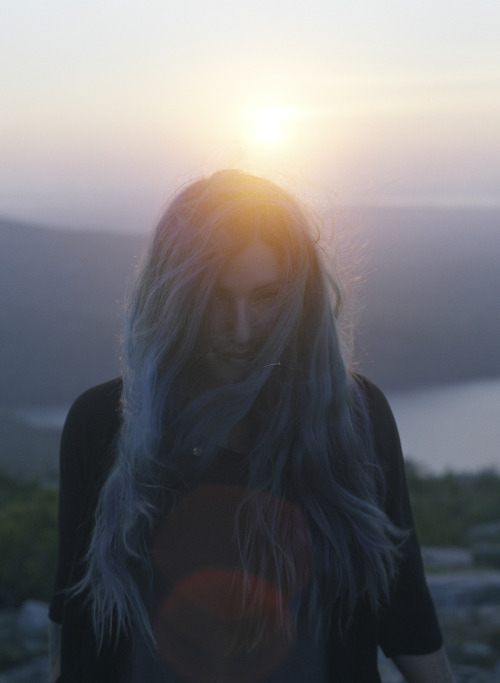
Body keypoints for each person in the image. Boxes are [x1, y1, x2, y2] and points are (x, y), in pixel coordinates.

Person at [49, 170, 455, 682]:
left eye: (265, 296)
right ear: (172, 297)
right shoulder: (102, 423)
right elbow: (75, 613)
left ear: (298, 298)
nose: (240, 330)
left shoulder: (353, 417)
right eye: (215, 297)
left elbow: (404, 606)